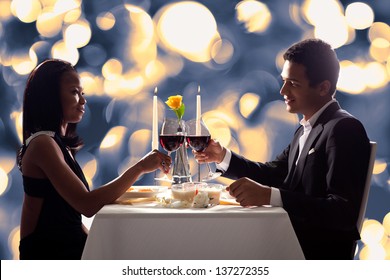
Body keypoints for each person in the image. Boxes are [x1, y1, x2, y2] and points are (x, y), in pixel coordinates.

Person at [194, 39, 370, 259]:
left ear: (323, 87)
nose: (282, 90)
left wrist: (270, 196)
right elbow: (273, 174)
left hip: (313, 254)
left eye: (293, 83)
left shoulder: (344, 128)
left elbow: (342, 213)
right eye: (284, 81)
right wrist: (223, 156)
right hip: (288, 240)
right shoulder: (307, 127)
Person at [17, 59, 171, 260]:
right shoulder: (42, 145)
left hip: (68, 250)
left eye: (82, 93)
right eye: (74, 92)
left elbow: (69, 217)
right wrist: (140, 167)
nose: (83, 101)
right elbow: (86, 205)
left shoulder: (57, 145)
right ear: (50, 96)